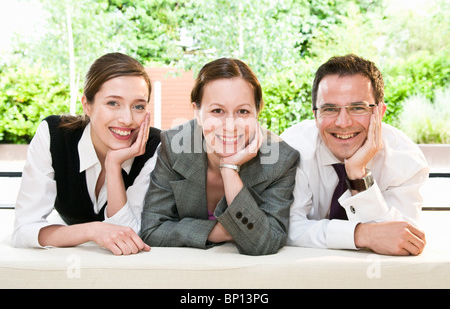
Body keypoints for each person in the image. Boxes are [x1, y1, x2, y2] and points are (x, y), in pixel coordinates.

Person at [140, 58, 299, 255]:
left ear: (257, 112)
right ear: (197, 112)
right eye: (217, 111)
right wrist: (220, 232)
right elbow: (151, 230)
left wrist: (229, 169)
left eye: (243, 111)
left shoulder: (281, 160)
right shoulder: (174, 147)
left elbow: (266, 242)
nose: (230, 125)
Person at [13, 52, 161, 255]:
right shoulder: (54, 135)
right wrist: (92, 230)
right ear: (87, 105)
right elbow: (24, 230)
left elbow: (129, 234)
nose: (127, 119)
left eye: (138, 106)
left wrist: (113, 166)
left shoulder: (155, 147)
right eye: (113, 103)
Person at [281, 54, 429, 256]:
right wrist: (361, 234)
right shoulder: (292, 149)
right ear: (315, 116)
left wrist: (358, 174)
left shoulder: (406, 161)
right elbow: (286, 227)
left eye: (358, 108)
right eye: (330, 109)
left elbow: (402, 240)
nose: (343, 122)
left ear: (380, 112)